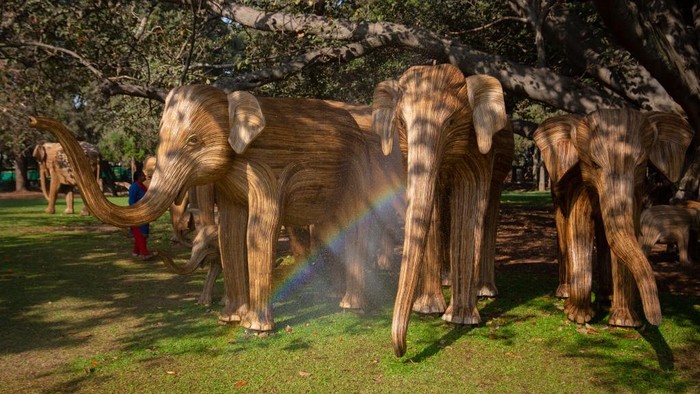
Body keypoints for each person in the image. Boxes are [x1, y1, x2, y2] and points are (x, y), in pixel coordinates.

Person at [129, 170, 153, 260]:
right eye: (143, 175)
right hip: (136, 213)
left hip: (144, 212)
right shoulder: (134, 187)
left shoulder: (142, 186)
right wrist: (135, 211)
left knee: (142, 232)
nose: (145, 176)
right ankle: (144, 253)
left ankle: (136, 252)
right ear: (138, 177)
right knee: (139, 233)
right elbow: (131, 200)